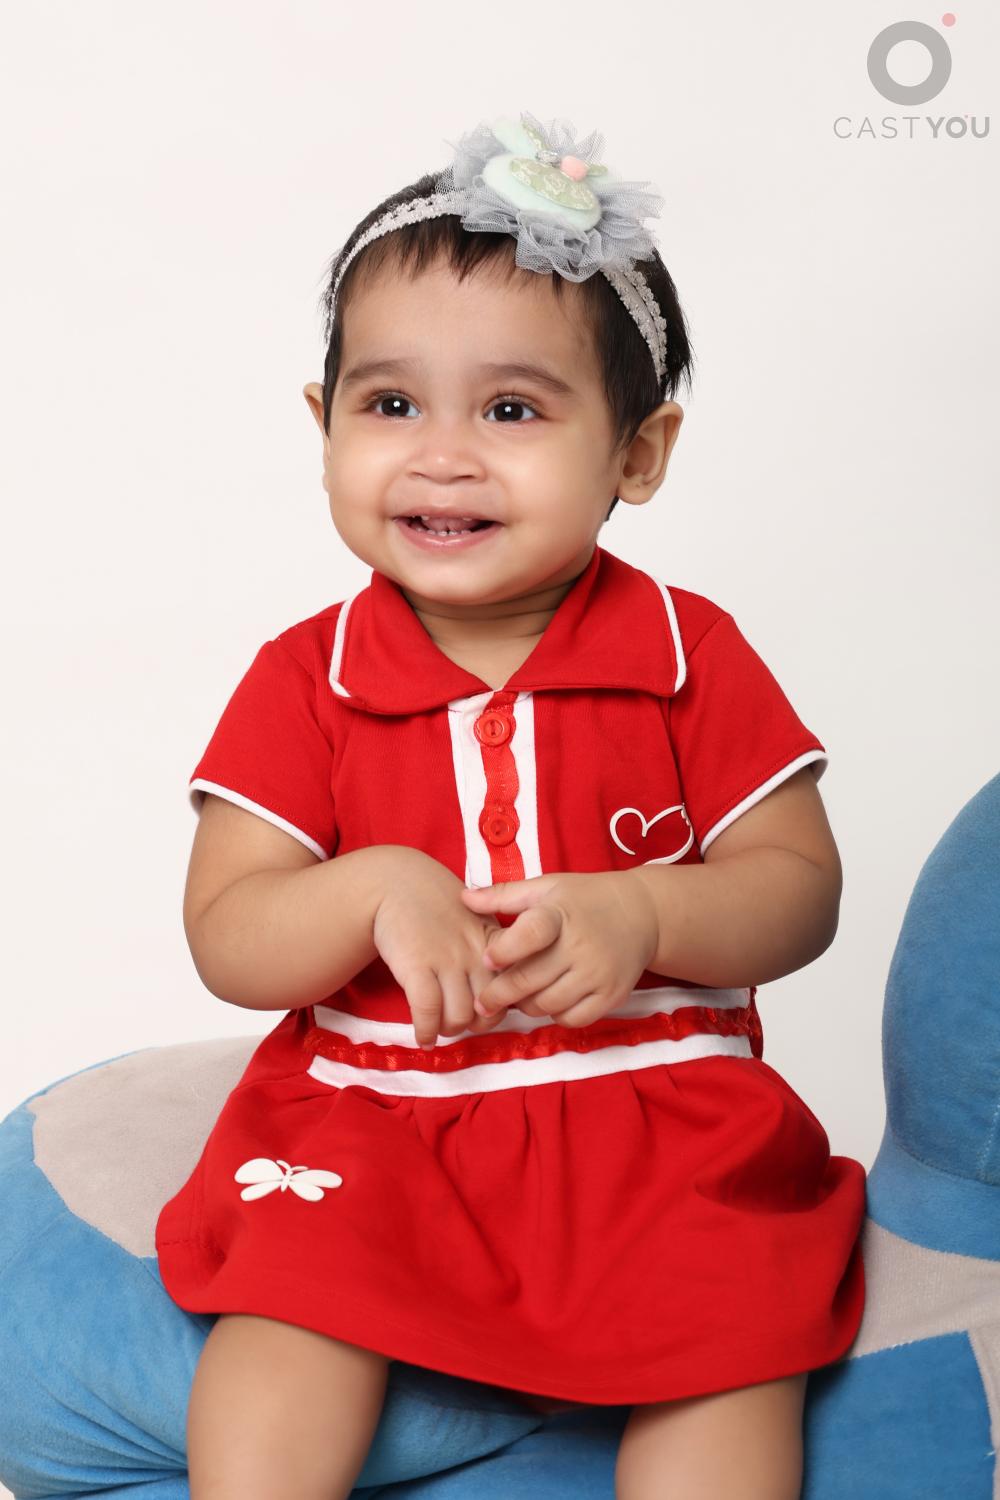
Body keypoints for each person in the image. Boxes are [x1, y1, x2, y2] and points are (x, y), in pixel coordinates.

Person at [155, 111, 866, 1499]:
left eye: (513, 410)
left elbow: (800, 889)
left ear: (638, 453)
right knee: (292, 1291)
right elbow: (230, 938)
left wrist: (650, 911)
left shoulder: (688, 653)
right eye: (390, 405)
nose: (443, 456)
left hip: (649, 1114)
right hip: (382, 1111)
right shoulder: (308, 676)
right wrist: (369, 887)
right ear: (322, 427)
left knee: (734, 1325)